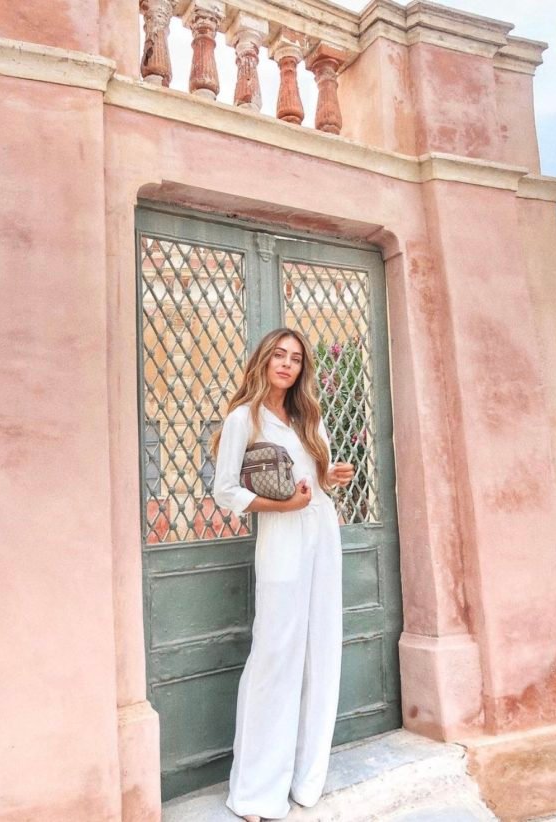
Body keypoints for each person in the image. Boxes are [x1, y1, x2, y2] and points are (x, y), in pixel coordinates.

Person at [211, 327, 355, 821]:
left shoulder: (305, 417)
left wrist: (327, 475)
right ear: (263, 361)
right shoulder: (242, 419)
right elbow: (226, 490)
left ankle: (304, 776)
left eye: (295, 358)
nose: (287, 364)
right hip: (282, 540)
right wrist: (282, 503)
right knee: (274, 657)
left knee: (320, 651)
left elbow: (311, 482)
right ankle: (254, 792)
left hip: (322, 536)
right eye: (279, 355)